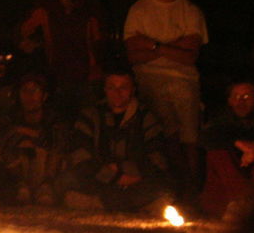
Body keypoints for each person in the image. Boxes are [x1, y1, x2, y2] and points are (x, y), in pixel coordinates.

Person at [123, 0, 208, 199]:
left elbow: (189, 55)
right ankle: (174, 186)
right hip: (150, 80)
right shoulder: (139, 9)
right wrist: (173, 47)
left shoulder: (190, 11)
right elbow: (132, 54)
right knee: (165, 136)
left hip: (184, 81)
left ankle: (193, 189)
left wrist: (152, 45)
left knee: (189, 138)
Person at [57, 67, 170, 213]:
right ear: (105, 89)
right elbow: (80, 157)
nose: (117, 93)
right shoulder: (90, 115)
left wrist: (123, 169)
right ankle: (124, 205)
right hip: (100, 180)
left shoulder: (146, 118)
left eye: (123, 87)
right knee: (68, 180)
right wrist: (113, 177)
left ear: (133, 89)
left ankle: (103, 204)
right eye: (112, 87)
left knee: (164, 188)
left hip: (134, 180)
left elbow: (158, 159)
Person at [17, 0, 103, 117]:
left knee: (87, 118)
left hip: (85, 75)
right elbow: (23, 33)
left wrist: (95, 67)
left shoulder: (86, 8)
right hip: (57, 75)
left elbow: (96, 40)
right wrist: (32, 44)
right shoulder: (45, 9)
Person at [198, 77, 254, 219]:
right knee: (218, 154)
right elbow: (205, 138)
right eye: (236, 97)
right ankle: (242, 206)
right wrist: (241, 145)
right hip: (227, 194)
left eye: (246, 97)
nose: (240, 102)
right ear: (230, 101)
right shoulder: (221, 122)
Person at [0, 73, 69, 205]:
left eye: (35, 90)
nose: (29, 96)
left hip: (46, 171)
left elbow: (57, 141)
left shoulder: (54, 118)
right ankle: (21, 187)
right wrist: (20, 135)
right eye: (25, 91)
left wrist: (26, 133)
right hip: (20, 170)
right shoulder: (11, 117)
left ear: (44, 96)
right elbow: (3, 140)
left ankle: (46, 188)